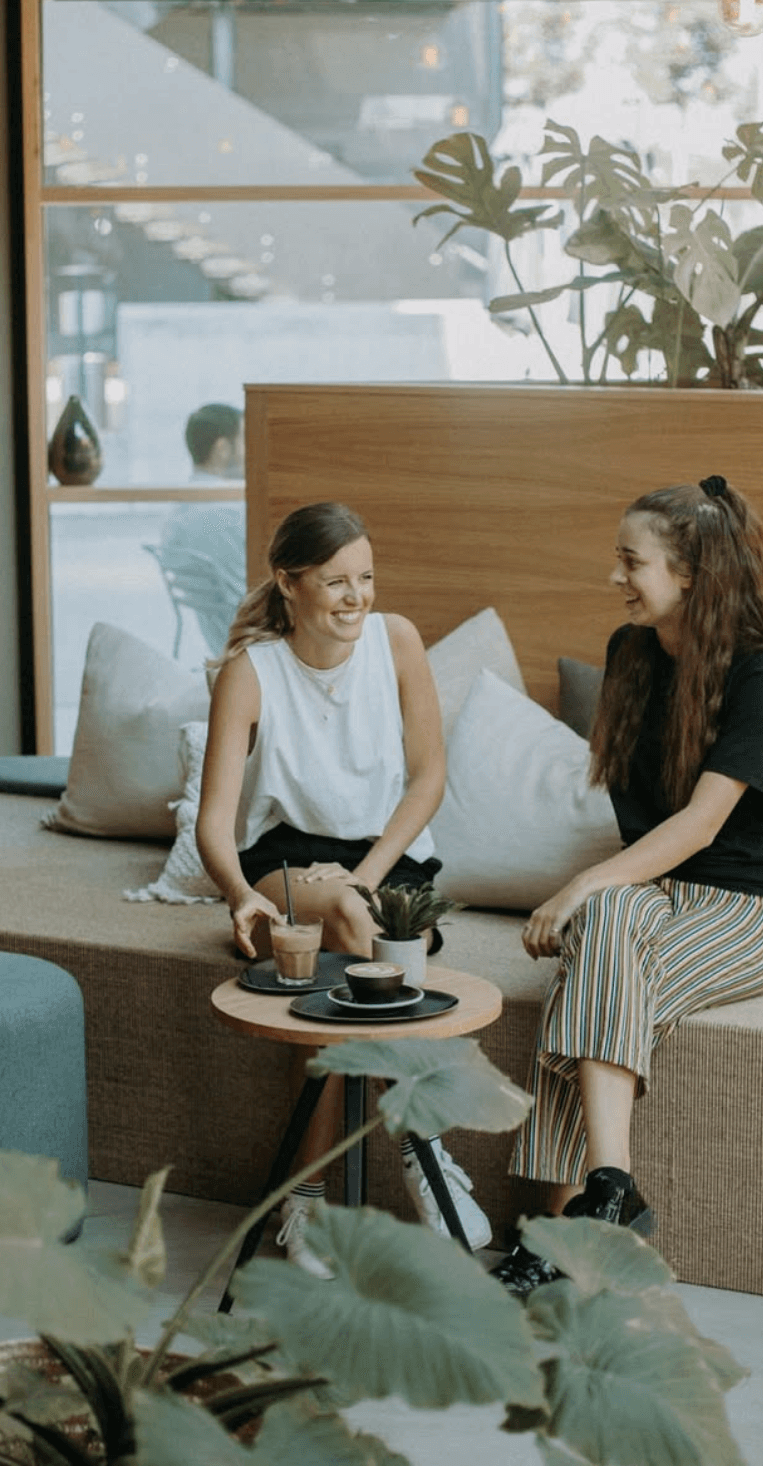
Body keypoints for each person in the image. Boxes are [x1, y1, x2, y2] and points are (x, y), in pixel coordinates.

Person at [492, 475, 763, 1297]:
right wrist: (600, 892)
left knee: (591, 965)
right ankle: (612, 1189)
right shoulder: (630, 653)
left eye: (630, 562)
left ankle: (558, 1233)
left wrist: (579, 887)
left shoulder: (760, 675)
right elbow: (645, 836)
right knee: (605, 940)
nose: (616, 578)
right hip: (654, 892)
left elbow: (702, 826)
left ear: (689, 575)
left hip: (749, 905)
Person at [195, 499, 491, 1271]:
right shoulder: (250, 674)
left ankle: (303, 1203)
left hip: (385, 859)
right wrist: (239, 894)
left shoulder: (396, 641)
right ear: (287, 583)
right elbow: (215, 825)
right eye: (335, 582)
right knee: (357, 936)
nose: (357, 597)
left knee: (341, 985)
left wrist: (362, 876)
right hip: (288, 863)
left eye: (366, 577)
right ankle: (428, 1156)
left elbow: (428, 779)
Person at [157, 403, 247, 656]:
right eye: (244, 441)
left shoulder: (179, 513)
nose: (251, 450)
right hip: (257, 646)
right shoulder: (232, 512)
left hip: (220, 645)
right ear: (222, 449)